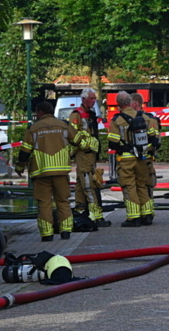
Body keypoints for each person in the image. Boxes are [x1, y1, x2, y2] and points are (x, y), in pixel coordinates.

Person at [15, 100, 77, 241]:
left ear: (40, 112)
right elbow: (78, 140)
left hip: (41, 172)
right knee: (63, 201)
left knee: (44, 202)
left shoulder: (33, 128)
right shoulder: (64, 125)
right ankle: (66, 231)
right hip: (61, 172)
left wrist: (19, 167)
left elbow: (25, 151)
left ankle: (47, 234)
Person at [107, 91, 155, 227]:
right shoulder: (144, 117)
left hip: (126, 159)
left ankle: (133, 217)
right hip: (142, 158)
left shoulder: (117, 120)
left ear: (118, 104)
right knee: (141, 185)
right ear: (129, 102)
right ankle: (147, 215)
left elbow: (113, 142)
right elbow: (152, 137)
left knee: (129, 187)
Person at [69, 88, 109, 228]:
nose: (94, 101)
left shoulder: (91, 114)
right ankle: (97, 216)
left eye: (94, 98)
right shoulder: (76, 115)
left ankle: (81, 212)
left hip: (90, 155)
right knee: (88, 185)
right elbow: (72, 134)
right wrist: (86, 145)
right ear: (84, 99)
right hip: (84, 154)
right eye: (91, 98)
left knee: (81, 184)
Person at [130, 93, 161, 224]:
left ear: (135, 104)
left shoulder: (143, 119)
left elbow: (155, 140)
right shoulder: (151, 119)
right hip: (147, 158)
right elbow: (157, 141)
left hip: (141, 158)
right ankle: (147, 213)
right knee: (145, 187)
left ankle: (146, 214)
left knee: (143, 186)